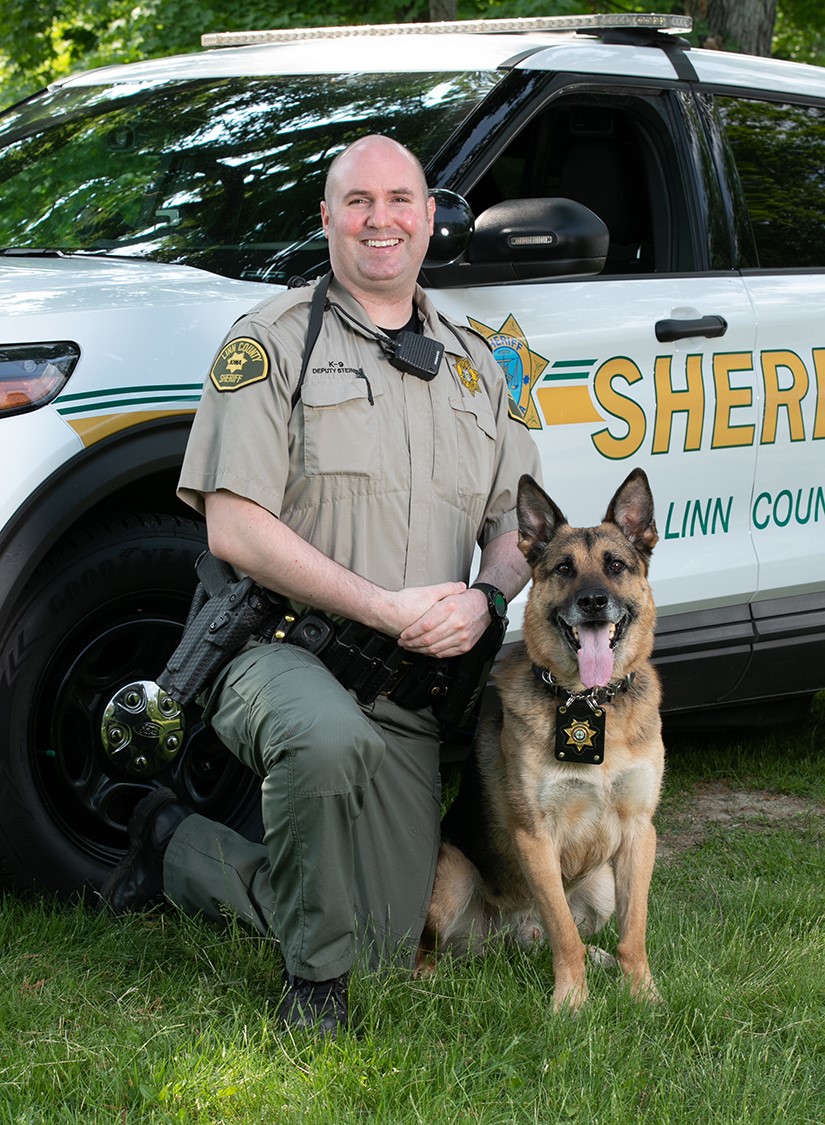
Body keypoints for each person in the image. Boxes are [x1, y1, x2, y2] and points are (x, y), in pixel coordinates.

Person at [100, 134, 541, 1037]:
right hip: (272, 648)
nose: (380, 220)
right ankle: (313, 987)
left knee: (385, 935)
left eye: (400, 201)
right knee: (325, 739)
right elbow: (232, 524)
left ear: (429, 220)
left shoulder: (476, 364)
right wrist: (380, 605)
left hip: (405, 679)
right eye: (357, 202)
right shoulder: (272, 342)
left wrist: (488, 597)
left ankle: (174, 845)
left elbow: (518, 526)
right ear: (329, 220)